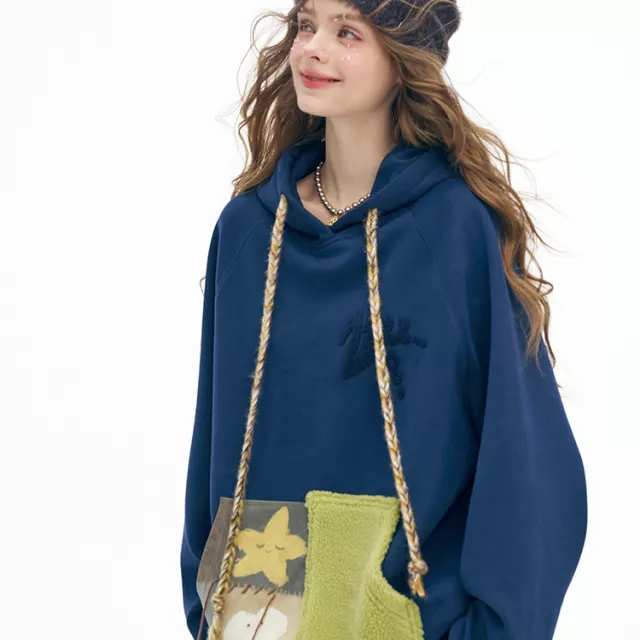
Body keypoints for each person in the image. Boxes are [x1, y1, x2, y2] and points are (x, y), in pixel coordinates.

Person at [179, 1, 589, 638]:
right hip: (261, 612)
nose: (313, 48)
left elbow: (529, 463)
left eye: (347, 31)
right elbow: (213, 435)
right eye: (306, 24)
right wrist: (207, 609)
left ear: (403, 59)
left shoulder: (453, 228)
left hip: (409, 617)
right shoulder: (247, 231)